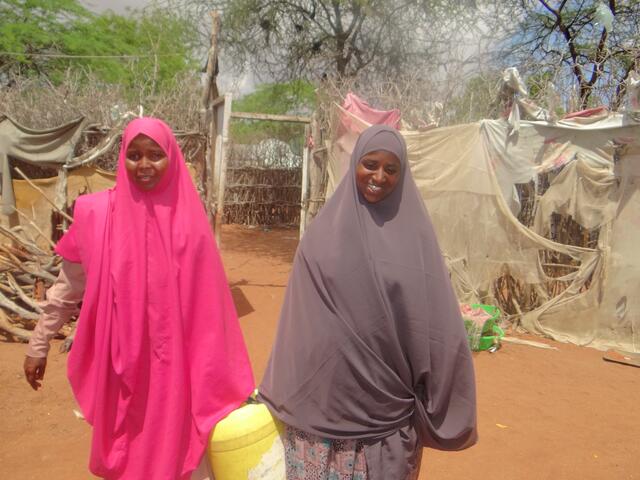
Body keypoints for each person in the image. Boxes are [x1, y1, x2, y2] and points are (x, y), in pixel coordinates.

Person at [23, 117, 255, 479]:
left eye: (154, 155)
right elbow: (67, 288)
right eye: (134, 155)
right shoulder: (98, 215)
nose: (144, 165)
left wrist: (218, 379)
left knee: (180, 461)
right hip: (121, 370)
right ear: (122, 159)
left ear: (172, 159)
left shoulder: (190, 223)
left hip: (178, 371)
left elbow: (211, 315)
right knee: (127, 454)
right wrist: (38, 343)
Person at [258, 124, 477, 480]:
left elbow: (437, 328)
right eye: (370, 164)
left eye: (391, 170)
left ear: (403, 175)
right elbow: (298, 325)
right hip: (318, 414)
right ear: (355, 164)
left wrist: (442, 400)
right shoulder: (320, 239)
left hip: (384, 420)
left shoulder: (417, 244)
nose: (379, 176)